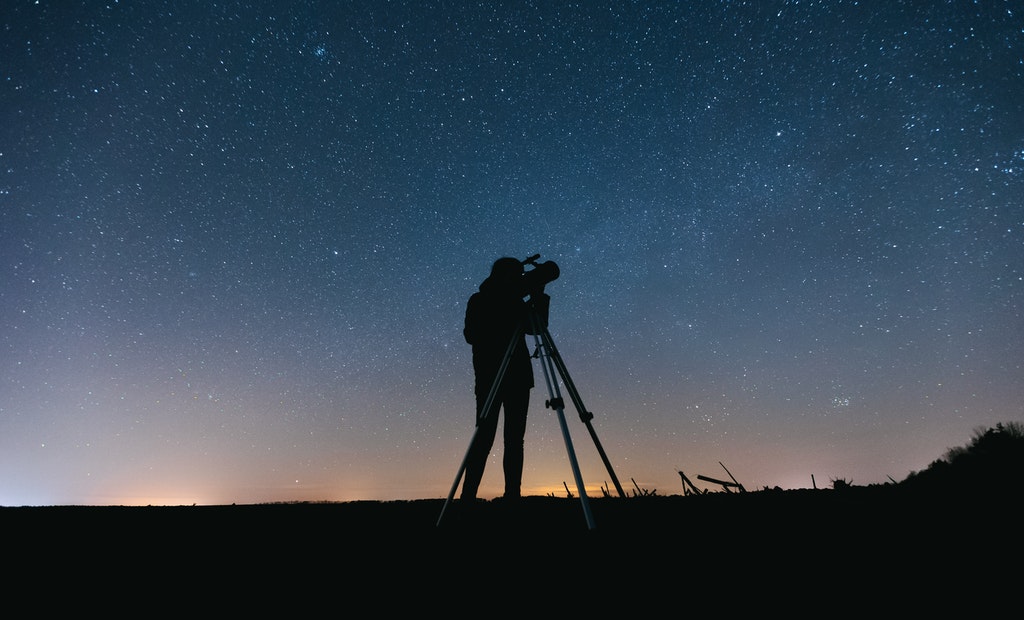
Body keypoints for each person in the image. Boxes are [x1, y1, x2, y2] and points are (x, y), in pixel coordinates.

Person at [460, 257, 539, 501]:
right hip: (490, 378)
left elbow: (537, 327)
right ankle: (467, 498)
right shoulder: (480, 299)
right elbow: (471, 335)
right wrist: (503, 311)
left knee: (515, 441)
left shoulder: (517, 302)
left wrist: (539, 295)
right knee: (483, 439)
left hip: (518, 379)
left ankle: (512, 497)